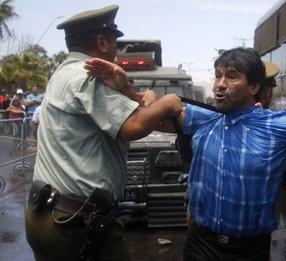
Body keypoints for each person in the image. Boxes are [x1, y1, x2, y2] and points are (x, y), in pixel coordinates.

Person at [85, 47, 286, 260]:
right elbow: (148, 118)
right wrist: (125, 89)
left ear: (255, 87)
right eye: (218, 75)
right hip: (201, 244)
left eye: (232, 76)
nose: (220, 84)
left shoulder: (278, 125)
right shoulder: (201, 118)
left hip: (250, 251)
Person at [25, 5, 182, 261]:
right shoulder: (89, 76)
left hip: (43, 212)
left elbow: (134, 105)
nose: (117, 51)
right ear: (101, 41)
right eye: (115, 43)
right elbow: (133, 126)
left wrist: (133, 90)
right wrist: (168, 101)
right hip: (76, 223)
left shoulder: (61, 73)